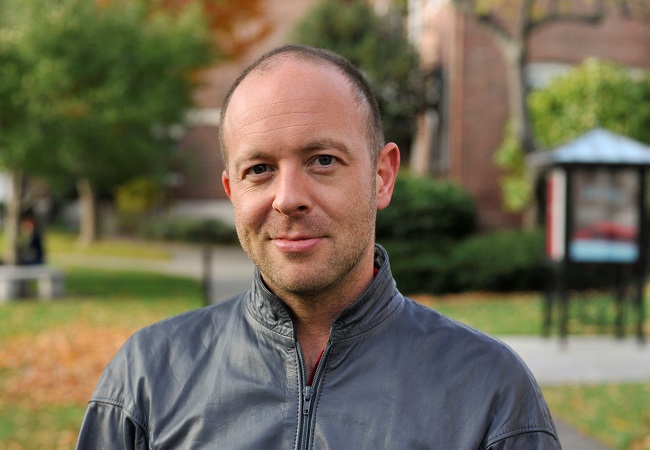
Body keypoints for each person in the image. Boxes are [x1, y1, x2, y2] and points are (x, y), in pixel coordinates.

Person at [76, 45, 561, 449]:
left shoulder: (488, 393)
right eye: (259, 169)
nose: (288, 199)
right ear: (232, 192)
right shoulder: (146, 379)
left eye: (323, 160)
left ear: (382, 176)